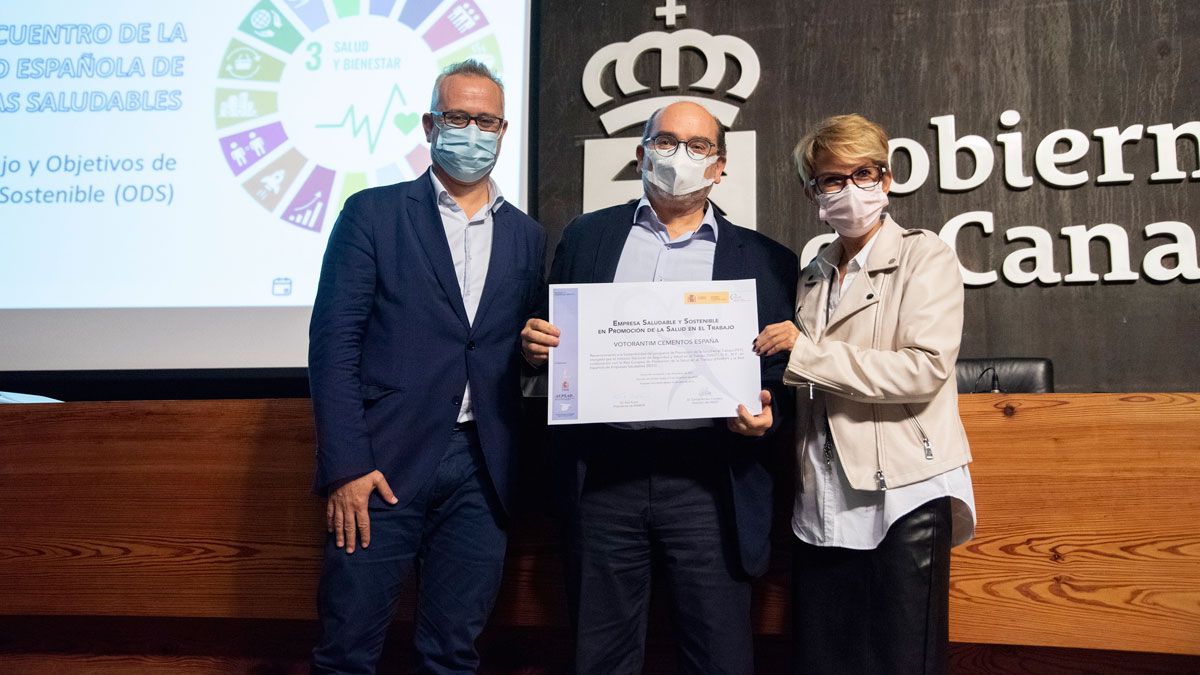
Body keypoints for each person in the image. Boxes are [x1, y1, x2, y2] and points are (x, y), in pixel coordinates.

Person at [521, 101, 798, 675]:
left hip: (710, 481)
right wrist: (533, 348)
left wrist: (770, 417)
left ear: (720, 166)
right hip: (605, 477)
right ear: (640, 154)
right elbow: (551, 344)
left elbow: (783, 379)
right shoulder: (586, 236)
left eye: (698, 147)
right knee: (600, 657)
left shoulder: (769, 260)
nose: (680, 156)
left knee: (719, 657)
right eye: (666, 141)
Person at [308, 60, 546, 674]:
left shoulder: (526, 235)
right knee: (347, 651)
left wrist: (532, 346)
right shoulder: (372, 214)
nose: (473, 131)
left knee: (453, 653)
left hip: (482, 466)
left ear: (503, 129)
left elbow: (507, 344)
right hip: (381, 465)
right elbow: (333, 346)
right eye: (458, 117)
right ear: (429, 124)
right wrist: (346, 467)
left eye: (485, 121)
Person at [753, 113, 976, 674]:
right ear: (813, 191)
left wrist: (804, 355)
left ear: (888, 178)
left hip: (902, 491)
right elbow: (806, 390)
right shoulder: (810, 274)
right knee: (825, 658)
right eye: (833, 178)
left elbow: (923, 370)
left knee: (902, 660)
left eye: (865, 172)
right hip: (820, 492)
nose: (851, 188)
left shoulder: (927, 257)